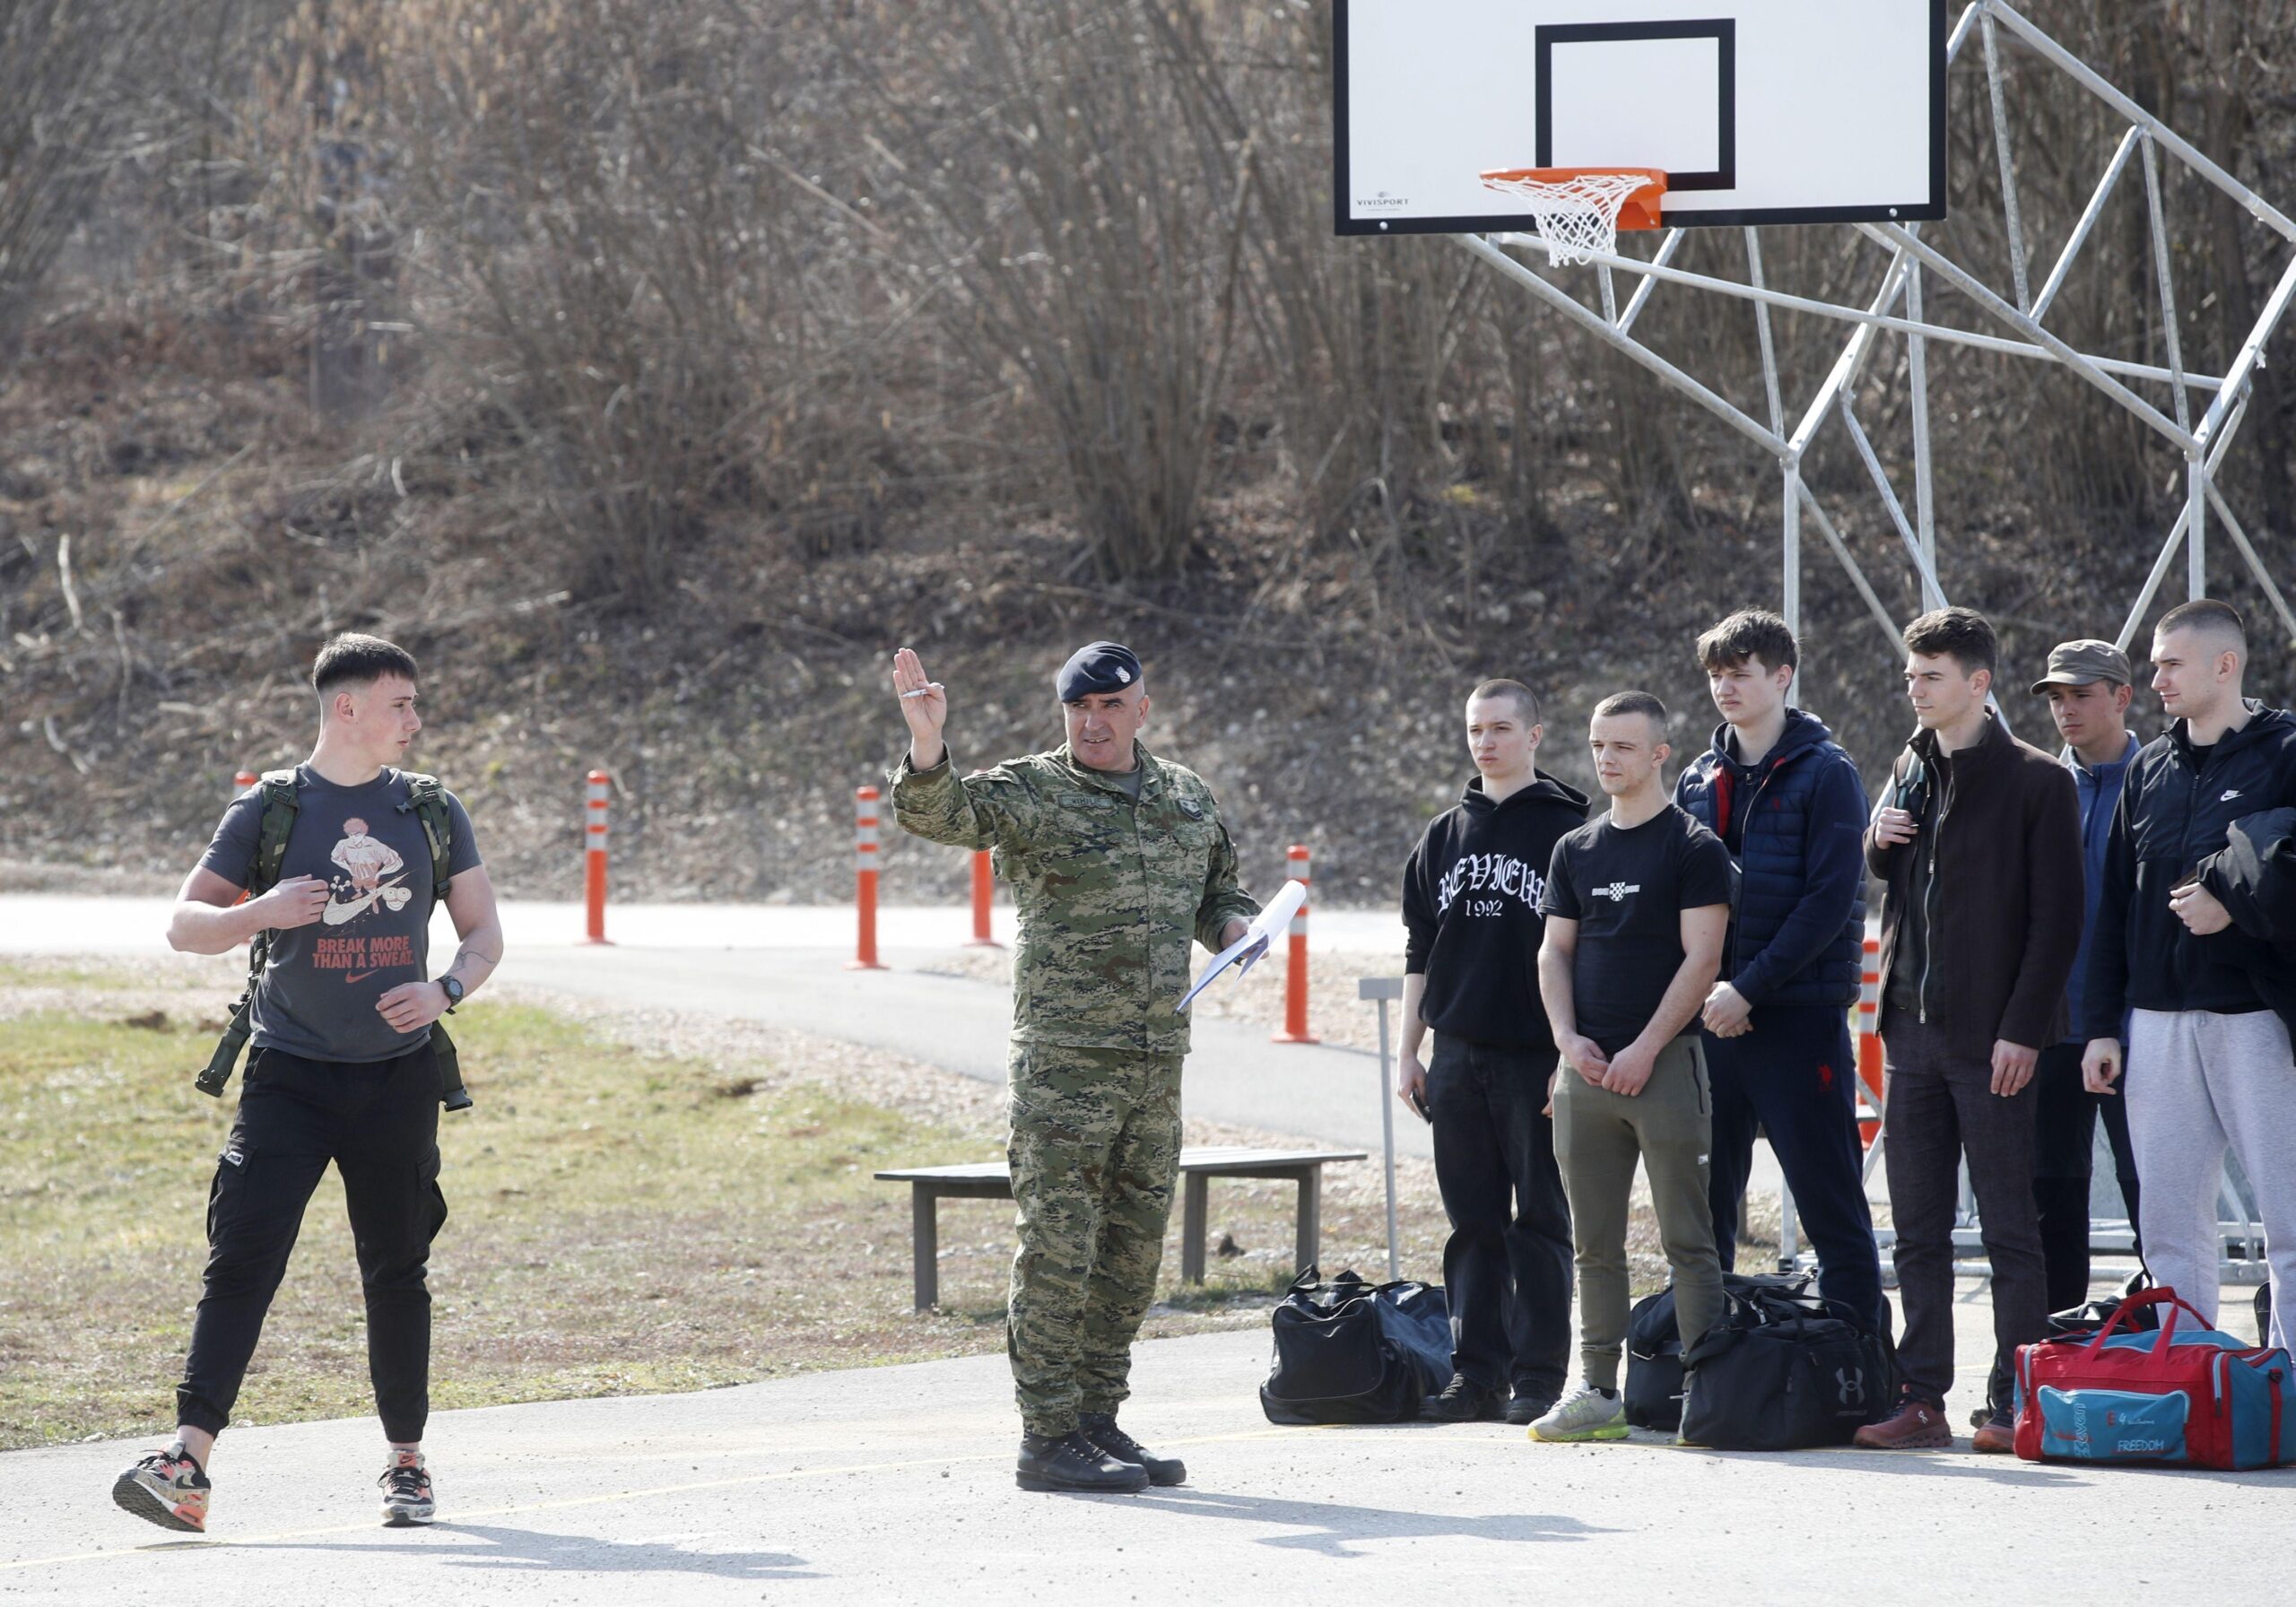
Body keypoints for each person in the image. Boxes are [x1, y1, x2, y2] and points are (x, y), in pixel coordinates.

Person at [113, 634, 500, 1533]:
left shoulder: (434, 810)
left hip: (395, 1078)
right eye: (401, 703)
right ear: (348, 708)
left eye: (414, 703)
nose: (416, 718)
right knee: (241, 1259)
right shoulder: (270, 809)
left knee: (396, 1267)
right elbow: (184, 926)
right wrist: (261, 910)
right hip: (288, 1074)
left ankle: (407, 1461)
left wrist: (442, 988)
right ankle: (186, 1464)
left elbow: (484, 934)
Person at [889, 641, 1261, 1493]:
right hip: (1065, 1065)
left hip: (1156, 1061)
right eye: (1078, 710)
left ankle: (1098, 1418)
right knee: (1059, 1249)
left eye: (1109, 707)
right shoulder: (1034, 790)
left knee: (1130, 1252)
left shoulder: (1183, 794)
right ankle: (1047, 1435)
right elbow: (939, 813)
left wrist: (1238, 928)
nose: (1093, 723)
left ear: (1142, 708)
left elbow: (1219, 892)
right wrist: (926, 745)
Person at [1857, 607, 2082, 1453]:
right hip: (1909, 1034)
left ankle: (2013, 1400)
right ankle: (1923, 1400)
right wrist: (1879, 840)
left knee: (2008, 1229)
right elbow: (1891, 877)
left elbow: (2059, 922)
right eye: (1911, 676)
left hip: (1995, 1041)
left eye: (1930, 677)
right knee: (1916, 1230)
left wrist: (2023, 1031)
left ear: (1978, 684)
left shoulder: (2037, 782)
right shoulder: (1909, 767)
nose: (1913, 689)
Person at [2083, 600, 2296, 1351]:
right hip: (2155, 1023)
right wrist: (2101, 1025)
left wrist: (2232, 903)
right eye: (2156, 661)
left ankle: (2291, 1396)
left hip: (2257, 1020)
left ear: (2225, 666)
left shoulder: (2287, 753)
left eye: (2171, 662)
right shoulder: (2148, 768)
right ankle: (2187, 1390)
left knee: (2291, 1225)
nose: (2156, 677)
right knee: (2169, 1228)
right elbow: (2110, 908)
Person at [1530, 691, 1735, 1444]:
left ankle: (1708, 1389)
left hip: (1666, 1069)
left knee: (1688, 1238)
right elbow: (1554, 951)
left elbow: (1703, 958)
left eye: (1623, 746)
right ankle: (1595, 1390)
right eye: (1597, 746)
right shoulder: (1575, 850)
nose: (1607, 759)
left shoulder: (1692, 848)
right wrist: (1567, 1042)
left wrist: (1645, 1047)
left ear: (1659, 755)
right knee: (1593, 1242)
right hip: (1583, 1077)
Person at [1673, 610, 1883, 1333]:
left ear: (1783, 676)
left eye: (1741, 672)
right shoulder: (1698, 778)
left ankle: (1860, 1357)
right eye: (1716, 675)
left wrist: (1749, 988)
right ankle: (1711, 1362)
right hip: (1709, 1021)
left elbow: (1831, 903)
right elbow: (1680, 898)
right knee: (1706, 1207)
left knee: (1829, 1200)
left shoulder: (1829, 772)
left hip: (1795, 1016)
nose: (1725, 687)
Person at [1398, 679, 1588, 1424]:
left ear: (1534, 736)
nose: (1487, 742)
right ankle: (1476, 1372)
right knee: (1471, 1221)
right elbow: (1421, 947)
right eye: (1477, 729)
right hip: (1456, 1052)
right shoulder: (1443, 834)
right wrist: (1409, 1052)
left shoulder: (1569, 832)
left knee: (1539, 1220)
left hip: (1535, 1055)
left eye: (1503, 729)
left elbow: (1587, 956)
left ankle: (1539, 1376)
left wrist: (1568, 1052)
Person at [2030, 638, 2144, 1310]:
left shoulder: (2159, 776)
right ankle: (2059, 1360)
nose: (2066, 710)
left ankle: (2166, 1360)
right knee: (2052, 1204)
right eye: (2056, 698)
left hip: (2137, 1028)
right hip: (2047, 1029)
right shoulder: (2038, 784)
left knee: (2150, 1202)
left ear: (2123, 696)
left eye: (2081, 694)